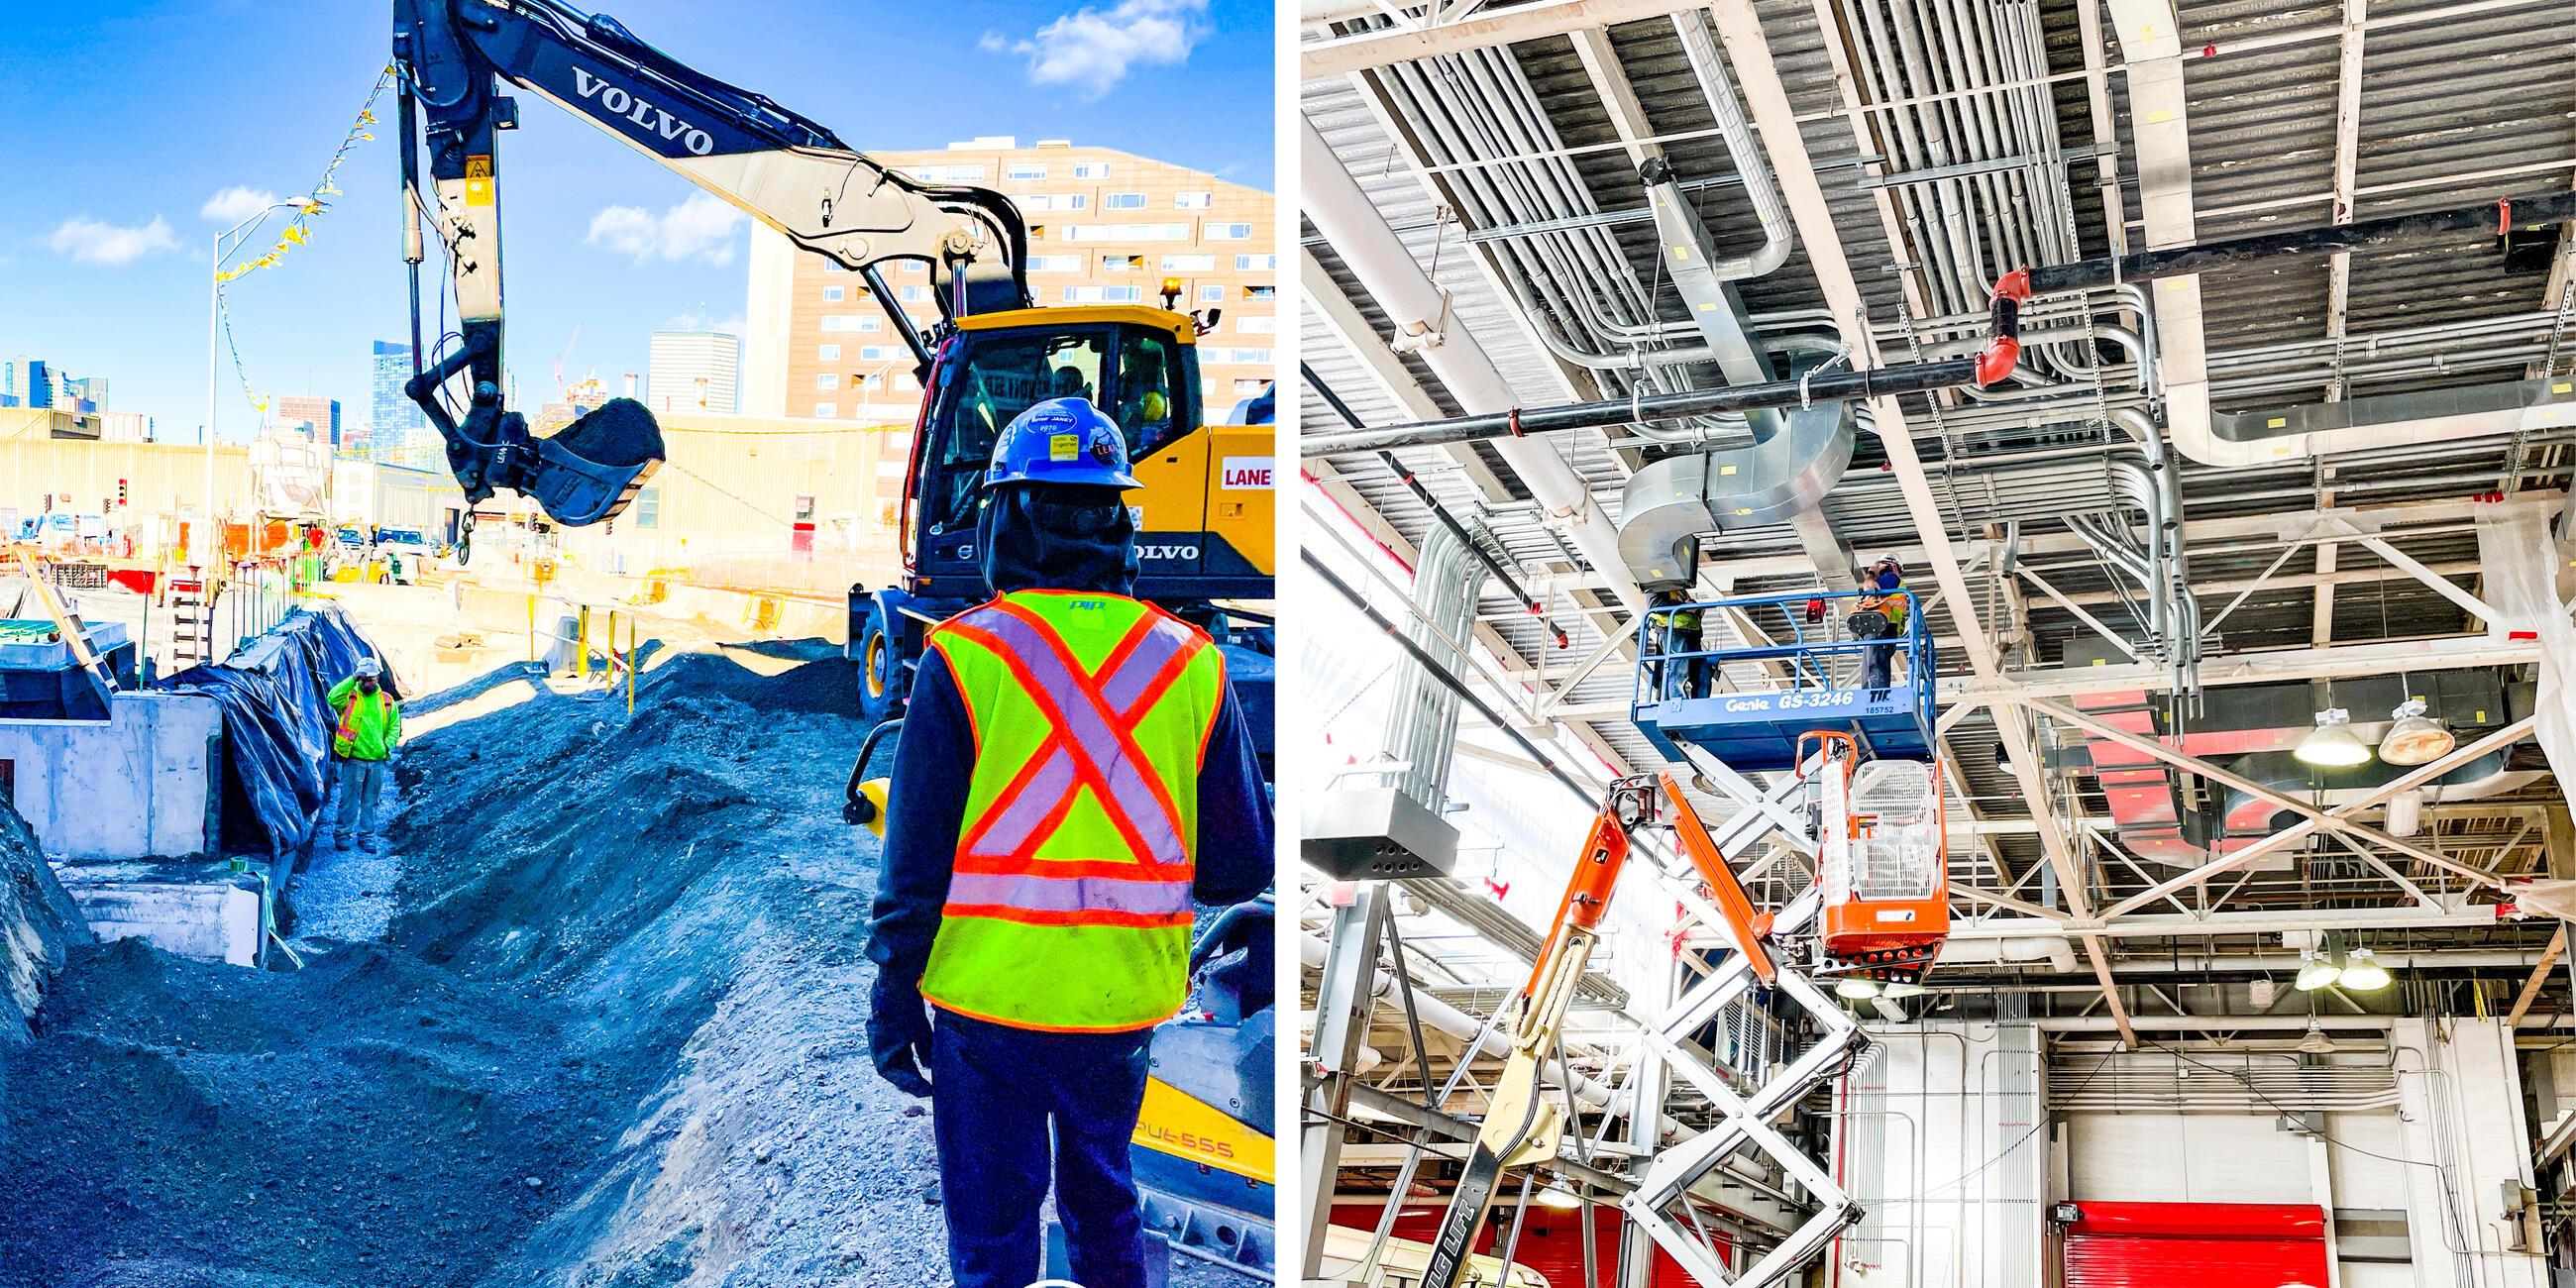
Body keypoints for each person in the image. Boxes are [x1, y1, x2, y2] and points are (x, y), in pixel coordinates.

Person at [864, 396, 1271, 1288]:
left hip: (986, 1011)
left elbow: (914, 869)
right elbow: (1241, 867)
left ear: (1003, 520)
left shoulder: (964, 656)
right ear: (1123, 525)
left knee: (992, 1236)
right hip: (1118, 1013)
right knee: (1105, 1211)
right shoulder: (1193, 664)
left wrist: (893, 1000)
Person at [326, 656, 400, 851]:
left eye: (372, 678)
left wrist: (387, 745)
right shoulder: (349, 697)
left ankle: (366, 836)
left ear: (377, 678)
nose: (368, 682)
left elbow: (394, 726)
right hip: (353, 759)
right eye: (365, 678)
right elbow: (332, 697)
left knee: (370, 801)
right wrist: (352, 679)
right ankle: (343, 834)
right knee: (349, 799)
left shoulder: (386, 701)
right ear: (360, 678)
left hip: (376, 761)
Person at [1855, 555, 1909, 698]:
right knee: (1870, 667)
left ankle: (1875, 698)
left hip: (1882, 626)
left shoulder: (1891, 578)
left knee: (1875, 665)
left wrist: (1871, 573)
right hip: (1879, 626)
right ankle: (1869, 697)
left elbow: (1869, 586)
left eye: (1880, 566)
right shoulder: (1890, 582)